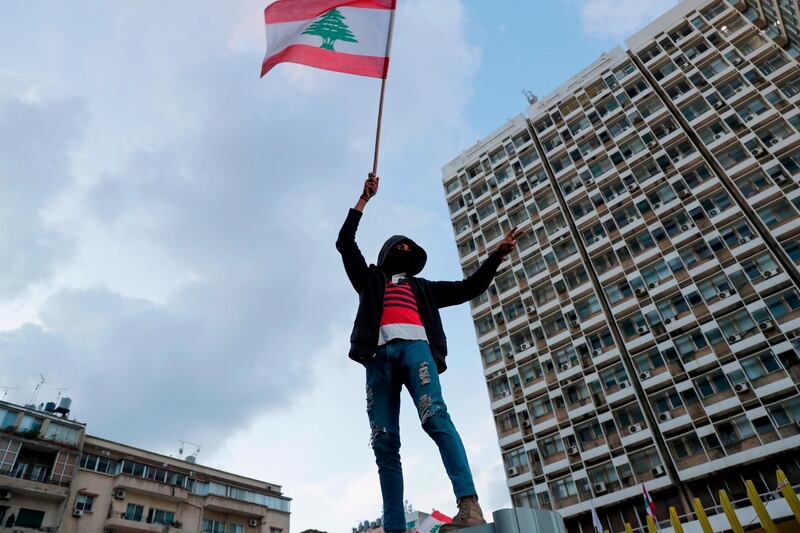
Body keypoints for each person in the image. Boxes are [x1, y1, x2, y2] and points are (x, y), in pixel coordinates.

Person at [336, 173, 522, 532]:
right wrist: (363, 201)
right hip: (376, 359)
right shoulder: (370, 280)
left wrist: (495, 257)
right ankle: (394, 526)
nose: (405, 250)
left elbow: (470, 286)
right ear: (388, 255)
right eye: (400, 247)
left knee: (435, 417)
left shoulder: (425, 289)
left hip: (417, 352)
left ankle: (469, 506)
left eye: (410, 248)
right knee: (384, 442)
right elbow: (345, 243)